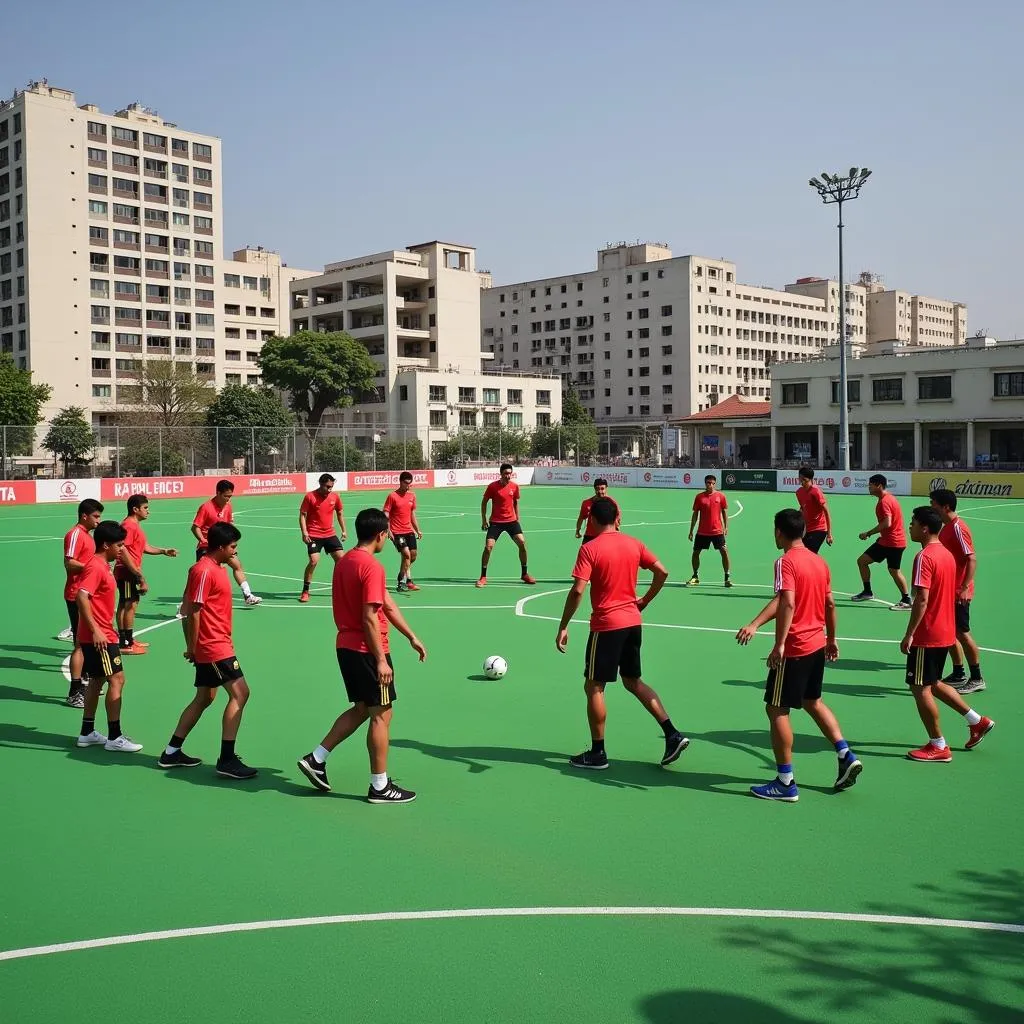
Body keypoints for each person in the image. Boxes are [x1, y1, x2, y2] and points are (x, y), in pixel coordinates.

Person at [297, 508, 427, 803]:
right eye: (388, 535)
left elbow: (388, 605)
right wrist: (381, 659)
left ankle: (316, 759)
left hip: (346, 646)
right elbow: (370, 616)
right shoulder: (371, 566)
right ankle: (379, 786)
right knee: (382, 714)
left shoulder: (344, 562)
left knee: (361, 709)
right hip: (368, 650)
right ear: (381, 534)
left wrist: (411, 636)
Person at [735, 509, 862, 802]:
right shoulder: (819, 562)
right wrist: (832, 639)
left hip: (795, 647)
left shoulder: (785, 562)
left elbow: (787, 603)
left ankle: (785, 781)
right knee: (812, 701)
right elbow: (829, 604)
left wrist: (779, 645)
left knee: (776, 709)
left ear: (779, 532)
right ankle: (845, 753)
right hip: (817, 643)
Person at [555, 497, 689, 770]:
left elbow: (578, 590)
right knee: (633, 681)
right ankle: (672, 734)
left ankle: (598, 752)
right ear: (618, 518)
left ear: (591, 521)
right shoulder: (634, 543)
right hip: (632, 622)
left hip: (606, 625)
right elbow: (662, 572)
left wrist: (564, 625)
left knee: (594, 686)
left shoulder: (590, 549)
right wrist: (645, 600)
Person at [158, 522, 257, 779]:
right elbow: (192, 610)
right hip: (213, 646)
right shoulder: (203, 571)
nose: (235, 552)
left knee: (204, 698)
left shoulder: (217, 568)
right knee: (241, 694)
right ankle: (226, 759)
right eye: (233, 547)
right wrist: (193, 647)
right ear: (221, 546)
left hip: (216, 643)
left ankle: (171, 751)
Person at [901, 506, 994, 762]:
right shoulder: (946, 554)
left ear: (925, 528)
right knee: (932, 682)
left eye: (913, 523)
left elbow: (922, 599)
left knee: (919, 687)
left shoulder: (925, 557)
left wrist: (910, 633)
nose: (910, 527)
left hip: (928, 632)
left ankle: (938, 745)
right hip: (945, 630)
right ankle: (977, 721)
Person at [74, 520, 143, 754]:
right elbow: (81, 596)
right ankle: (114, 736)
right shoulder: (95, 566)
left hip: (100, 633)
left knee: (96, 680)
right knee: (117, 680)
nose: (121, 550)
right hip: (101, 636)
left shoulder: (103, 565)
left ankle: (87, 732)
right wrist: (96, 630)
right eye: (119, 545)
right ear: (106, 545)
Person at [930, 488, 985, 694]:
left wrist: (963, 588)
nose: (931, 506)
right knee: (950, 632)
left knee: (962, 633)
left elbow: (971, 558)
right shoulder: (946, 528)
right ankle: (958, 671)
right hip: (948, 590)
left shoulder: (958, 528)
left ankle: (977, 677)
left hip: (959, 592)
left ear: (945, 506)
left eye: (933, 503)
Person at [115, 494, 178, 655]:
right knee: (129, 605)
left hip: (129, 571)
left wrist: (163, 551)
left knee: (127, 604)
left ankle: (127, 639)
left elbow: (144, 547)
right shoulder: (129, 526)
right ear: (135, 509)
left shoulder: (134, 526)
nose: (148, 511)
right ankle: (126, 643)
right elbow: (123, 550)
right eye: (145, 508)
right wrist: (137, 574)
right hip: (127, 571)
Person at [61, 498, 104, 708]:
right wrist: (92, 568)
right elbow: (69, 563)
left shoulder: (87, 535)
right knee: (79, 645)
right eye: (95, 516)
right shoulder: (75, 534)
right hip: (75, 595)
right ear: (84, 516)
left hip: (86, 595)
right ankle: (74, 692)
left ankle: (86, 682)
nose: (98, 520)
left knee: (85, 643)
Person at [190, 479, 261, 606]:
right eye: (226, 496)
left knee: (237, 566)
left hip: (223, 547)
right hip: (207, 548)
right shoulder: (206, 507)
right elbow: (195, 527)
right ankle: (186, 605)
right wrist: (203, 540)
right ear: (218, 493)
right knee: (201, 577)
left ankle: (248, 595)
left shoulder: (228, 506)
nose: (228, 499)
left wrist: (231, 545)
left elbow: (228, 526)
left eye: (230, 496)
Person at [853, 474, 911, 610]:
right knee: (863, 561)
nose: (868, 487)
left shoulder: (885, 502)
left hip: (893, 542)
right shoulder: (888, 498)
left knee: (894, 570)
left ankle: (907, 600)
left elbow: (887, 523)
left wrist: (868, 533)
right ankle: (867, 592)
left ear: (879, 485)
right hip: (888, 541)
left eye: (871, 485)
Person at [477, 463, 536, 587]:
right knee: (488, 547)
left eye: (510, 473)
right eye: (506, 473)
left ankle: (524, 574)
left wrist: (517, 518)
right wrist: (484, 520)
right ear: (501, 474)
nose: (508, 476)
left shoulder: (514, 487)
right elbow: (484, 503)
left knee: (522, 543)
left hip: (511, 521)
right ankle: (483, 577)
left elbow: (515, 502)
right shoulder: (492, 487)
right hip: (496, 522)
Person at [298, 473, 347, 602]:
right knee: (314, 560)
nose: (330, 489)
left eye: (331, 487)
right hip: (314, 534)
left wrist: (343, 530)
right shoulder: (310, 497)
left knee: (341, 560)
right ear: (321, 484)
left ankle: (338, 588)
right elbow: (302, 515)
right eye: (327, 487)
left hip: (330, 534)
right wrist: (304, 533)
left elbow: (340, 513)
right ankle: (305, 590)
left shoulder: (335, 497)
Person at [686, 474, 731, 587]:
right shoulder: (699, 497)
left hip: (717, 531)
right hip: (702, 532)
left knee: (724, 552)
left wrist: (726, 527)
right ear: (705, 483)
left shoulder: (721, 496)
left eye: (712, 483)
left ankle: (727, 577)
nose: (710, 485)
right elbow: (695, 514)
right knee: (696, 553)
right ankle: (695, 576)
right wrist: (691, 530)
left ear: (715, 484)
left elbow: (724, 513)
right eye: (708, 483)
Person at [384, 471, 423, 592]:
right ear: (400, 482)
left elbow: (412, 514)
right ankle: (401, 581)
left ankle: (408, 580)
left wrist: (417, 529)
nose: (408, 486)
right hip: (397, 531)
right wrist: (388, 529)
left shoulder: (412, 496)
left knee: (413, 556)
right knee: (406, 555)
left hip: (408, 530)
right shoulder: (392, 496)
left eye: (410, 484)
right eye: (406, 483)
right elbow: (386, 513)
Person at [795, 467, 833, 554]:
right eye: (801, 479)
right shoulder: (799, 492)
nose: (802, 482)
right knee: (802, 553)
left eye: (805, 480)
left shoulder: (816, 491)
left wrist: (829, 534)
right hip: (806, 530)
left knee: (809, 554)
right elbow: (803, 508)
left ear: (811, 479)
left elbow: (826, 512)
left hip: (819, 529)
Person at [575, 478, 620, 544]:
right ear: (594, 489)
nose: (600, 491)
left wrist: (617, 533)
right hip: (590, 536)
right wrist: (578, 530)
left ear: (606, 488)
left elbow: (617, 521)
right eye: (597, 489)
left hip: (606, 536)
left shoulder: (612, 503)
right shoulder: (586, 503)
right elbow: (581, 518)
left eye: (602, 489)